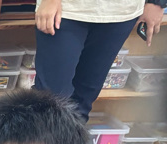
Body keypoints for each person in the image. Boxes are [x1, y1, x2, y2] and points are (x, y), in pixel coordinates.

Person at [34, 0, 164, 120]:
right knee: (50, 101)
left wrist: (157, 3)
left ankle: (74, 138)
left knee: (84, 99)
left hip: (121, 12)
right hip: (66, 10)